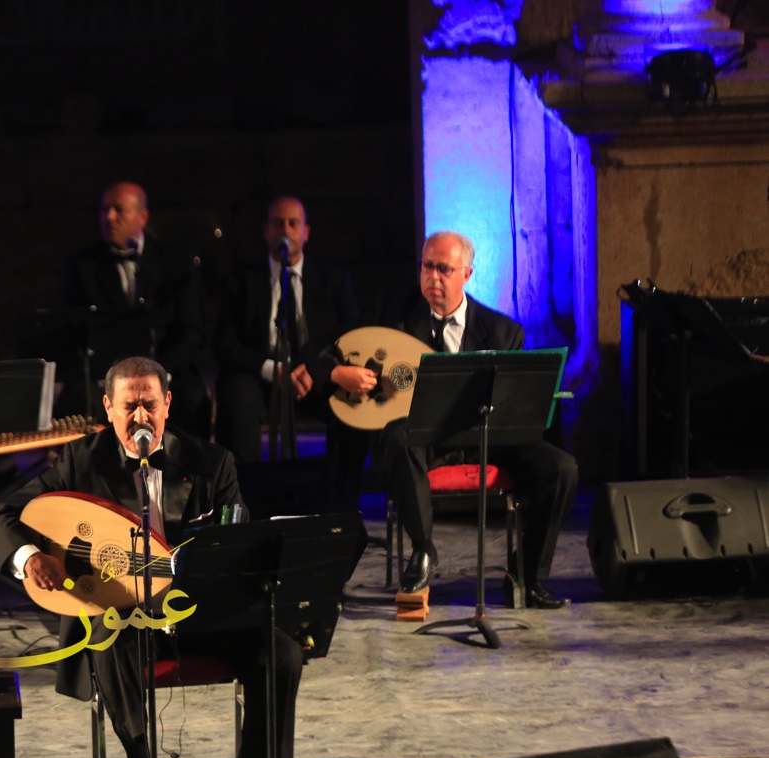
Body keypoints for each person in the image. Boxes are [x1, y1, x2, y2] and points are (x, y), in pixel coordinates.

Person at [0, 356, 310, 758]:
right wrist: (30, 558)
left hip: (198, 614)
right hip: (121, 618)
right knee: (110, 634)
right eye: (129, 406)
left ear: (168, 404)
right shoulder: (79, 460)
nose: (140, 417)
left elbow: (240, 541)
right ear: (108, 408)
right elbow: (0, 513)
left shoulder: (212, 463)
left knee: (281, 653)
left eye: (150, 405)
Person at [383, 231, 577, 608]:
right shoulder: (396, 324)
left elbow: (516, 404)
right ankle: (423, 550)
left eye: (443, 269)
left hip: (491, 436)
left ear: (467, 274)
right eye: (427, 266)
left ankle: (527, 575)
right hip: (426, 438)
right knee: (396, 439)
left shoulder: (503, 331)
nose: (433, 277)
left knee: (561, 468)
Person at [214, 195, 377, 510]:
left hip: (316, 374)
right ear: (266, 231)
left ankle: (341, 504)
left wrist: (316, 368)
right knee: (236, 397)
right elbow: (225, 345)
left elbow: (352, 334)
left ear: (306, 232)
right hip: (261, 375)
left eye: (293, 223)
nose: (285, 231)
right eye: (278, 223)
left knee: (352, 405)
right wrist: (274, 371)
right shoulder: (241, 281)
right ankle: (243, 501)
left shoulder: (333, 279)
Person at [58, 182, 211, 438]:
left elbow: (192, 331)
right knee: (75, 400)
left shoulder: (175, 262)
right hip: (105, 371)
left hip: (166, 365)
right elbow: (72, 329)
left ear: (143, 217)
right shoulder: (82, 265)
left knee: (193, 399)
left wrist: (158, 374)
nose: (109, 217)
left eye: (119, 209)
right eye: (105, 209)